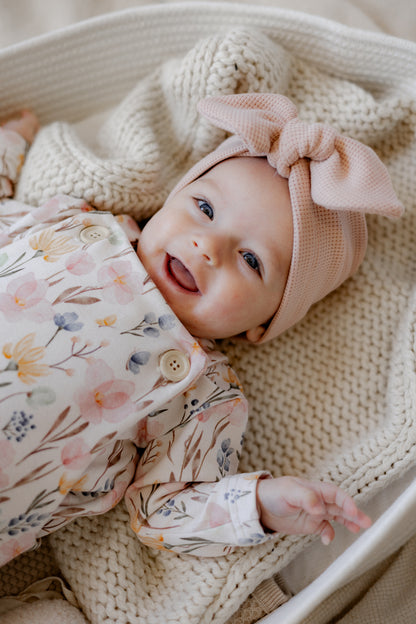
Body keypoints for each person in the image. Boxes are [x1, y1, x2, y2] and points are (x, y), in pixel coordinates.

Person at [0, 93, 402, 566]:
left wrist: (259, 506)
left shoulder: (203, 392)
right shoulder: (75, 224)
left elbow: (164, 510)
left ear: (263, 324)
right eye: (205, 209)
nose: (208, 245)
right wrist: (10, 143)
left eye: (251, 260)